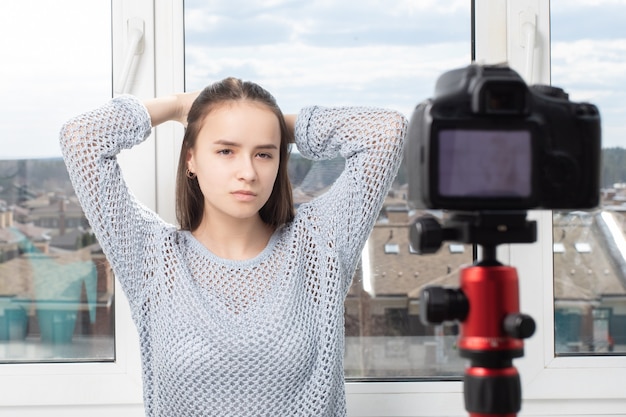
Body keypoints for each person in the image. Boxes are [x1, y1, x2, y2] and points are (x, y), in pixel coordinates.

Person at [60, 77, 407, 416]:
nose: (248, 172)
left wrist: (273, 125)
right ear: (191, 159)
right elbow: (81, 138)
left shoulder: (318, 245)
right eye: (226, 150)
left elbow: (385, 132)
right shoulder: (151, 256)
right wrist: (179, 106)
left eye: (264, 154)